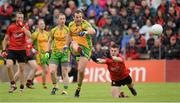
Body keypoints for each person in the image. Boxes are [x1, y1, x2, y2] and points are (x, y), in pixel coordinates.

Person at [68, 10, 96, 97]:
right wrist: (65, 46)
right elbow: (69, 35)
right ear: (74, 18)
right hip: (75, 47)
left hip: (86, 49)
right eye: (77, 17)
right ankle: (78, 49)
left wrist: (86, 32)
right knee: (73, 43)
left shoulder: (85, 24)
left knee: (80, 70)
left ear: (82, 17)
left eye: (80, 17)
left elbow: (93, 31)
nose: (79, 19)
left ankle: (78, 88)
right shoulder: (70, 25)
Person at [1, 12, 31, 93]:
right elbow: (5, 39)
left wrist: (23, 27)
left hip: (22, 50)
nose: (20, 19)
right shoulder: (11, 27)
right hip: (12, 49)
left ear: (23, 18)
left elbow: (29, 36)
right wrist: (4, 50)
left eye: (21, 17)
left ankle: (21, 86)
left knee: (21, 69)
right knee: (8, 65)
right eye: (18, 17)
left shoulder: (25, 26)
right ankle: (13, 84)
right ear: (16, 18)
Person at [45, 13, 71, 95]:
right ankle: (55, 86)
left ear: (65, 20)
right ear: (57, 20)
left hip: (65, 53)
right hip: (55, 53)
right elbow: (49, 41)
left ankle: (65, 90)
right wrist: (47, 52)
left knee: (64, 72)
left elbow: (72, 41)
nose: (62, 20)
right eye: (61, 19)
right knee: (52, 71)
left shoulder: (68, 30)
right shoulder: (53, 30)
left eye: (64, 19)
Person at [30, 19, 49, 89]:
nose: (42, 25)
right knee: (45, 70)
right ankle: (44, 85)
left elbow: (49, 43)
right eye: (41, 24)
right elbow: (29, 42)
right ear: (38, 25)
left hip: (46, 54)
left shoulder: (47, 33)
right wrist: (32, 49)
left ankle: (32, 77)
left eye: (43, 24)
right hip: (39, 54)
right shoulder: (35, 34)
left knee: (46, 71)